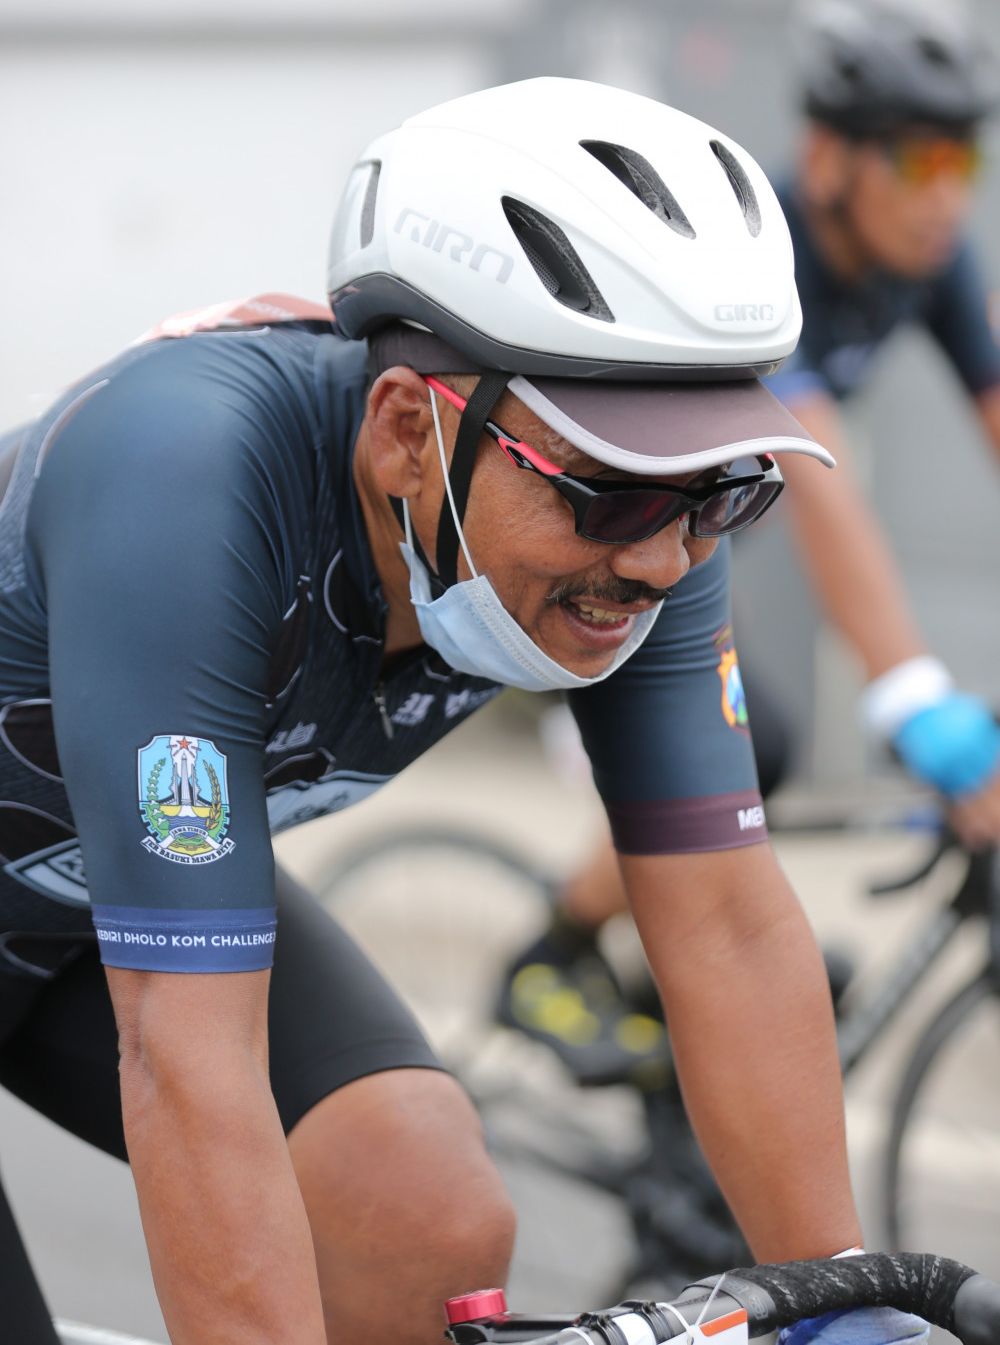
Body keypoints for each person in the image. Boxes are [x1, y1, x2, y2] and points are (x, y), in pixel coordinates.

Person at [0, 77, 922, 1345]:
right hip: (98, 924)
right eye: (609, 489)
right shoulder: (185, 477)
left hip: (58, 911)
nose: (662, 558)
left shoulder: (641, 537)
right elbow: (186, 1051)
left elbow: (720, 918)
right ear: (406, 431)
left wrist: (840, 1299)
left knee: (419, 1209)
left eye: (720, 487)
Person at [501, 0, 1000, 1088]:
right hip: (589, 559)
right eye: (917, 163)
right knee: (743, 749)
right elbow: (820, 483)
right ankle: (550, 956)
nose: (947, 198)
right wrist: (910, 692)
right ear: (827, 159)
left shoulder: (928, 259)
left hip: (690, 547)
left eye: (961, 162)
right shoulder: (758, 262)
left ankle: (671, 1069)